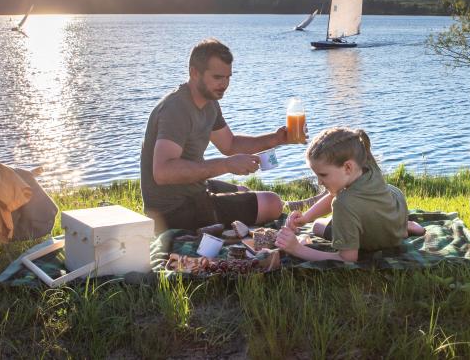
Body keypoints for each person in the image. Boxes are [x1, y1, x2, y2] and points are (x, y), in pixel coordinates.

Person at [141, 38, 297, 234]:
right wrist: (226, 165)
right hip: (174, 211)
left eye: (228, 77)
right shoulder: (176, 109)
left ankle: (292, 205)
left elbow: (230, 144)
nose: (224, 84)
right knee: (272, 202)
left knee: (244, 191)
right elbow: (162, 172)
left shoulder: (209, 101)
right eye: (217, 77)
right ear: (194, 73)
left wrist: (276, 139)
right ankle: (285, 206)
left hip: (194, 189)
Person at [275, 127, 425, 262]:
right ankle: (405, 227)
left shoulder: (343, 204)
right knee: (331, 216)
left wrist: (297, 249)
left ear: (347, 167)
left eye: (323, 175)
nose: (319, 182)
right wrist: (305, 218)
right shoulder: (365, 162)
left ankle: (404, 227)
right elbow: (337, 194)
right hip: (395, 216)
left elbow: (347, 258)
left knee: (317, 226)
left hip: (382, 238)